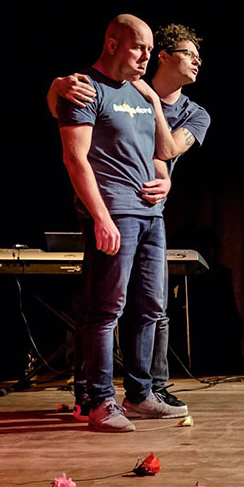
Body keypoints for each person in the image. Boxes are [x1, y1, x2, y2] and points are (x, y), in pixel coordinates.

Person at [50, 24, 211, 418]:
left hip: (151, 213)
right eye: (189, 54)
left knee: (152, 307)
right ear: (164, 57)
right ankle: (95, 398)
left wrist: (164, 174)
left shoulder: (187, 111)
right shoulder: (103, 87)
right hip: (115, 208)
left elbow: (162, 148)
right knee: (104, 307)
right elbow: (75, 144)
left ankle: (143, 392)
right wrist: (56, 86)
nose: (198, 62)